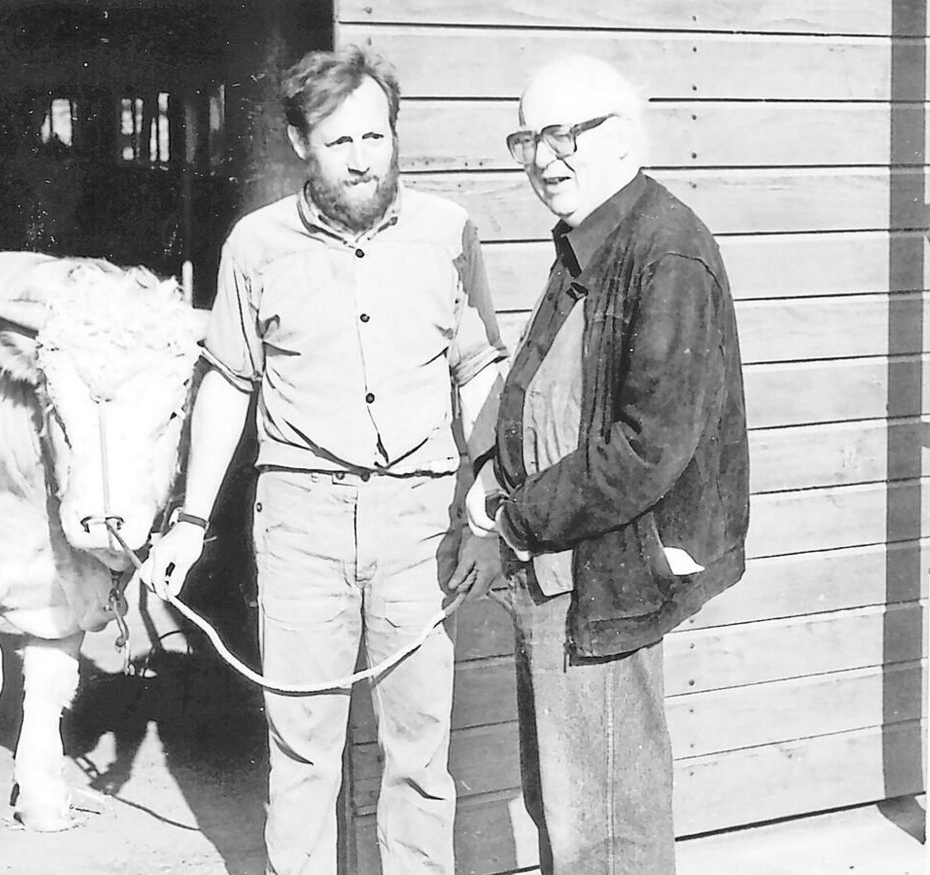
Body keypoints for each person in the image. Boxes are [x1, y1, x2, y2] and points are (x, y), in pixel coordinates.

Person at [138, 46, 508, 875]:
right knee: (303, 752)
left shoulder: (450, 234)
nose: (363, 156)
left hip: (420, 525)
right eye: (340, 141)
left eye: (376, 135)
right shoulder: (255, 245)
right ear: (302, 144)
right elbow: (228, 385)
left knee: (419, 752)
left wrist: (495, 493)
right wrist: (191, 523)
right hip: (300, 525)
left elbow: (481, 370)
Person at [466, 55, 749, 874]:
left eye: (564, 133)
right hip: (557, 566)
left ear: (624, 138)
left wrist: (516, 521)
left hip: (601, 573)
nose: (542, 158)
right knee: (569, 806)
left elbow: (646, 446)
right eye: (528, 137)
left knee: (606, 824)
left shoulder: (666, 251)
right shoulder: (591, 240)